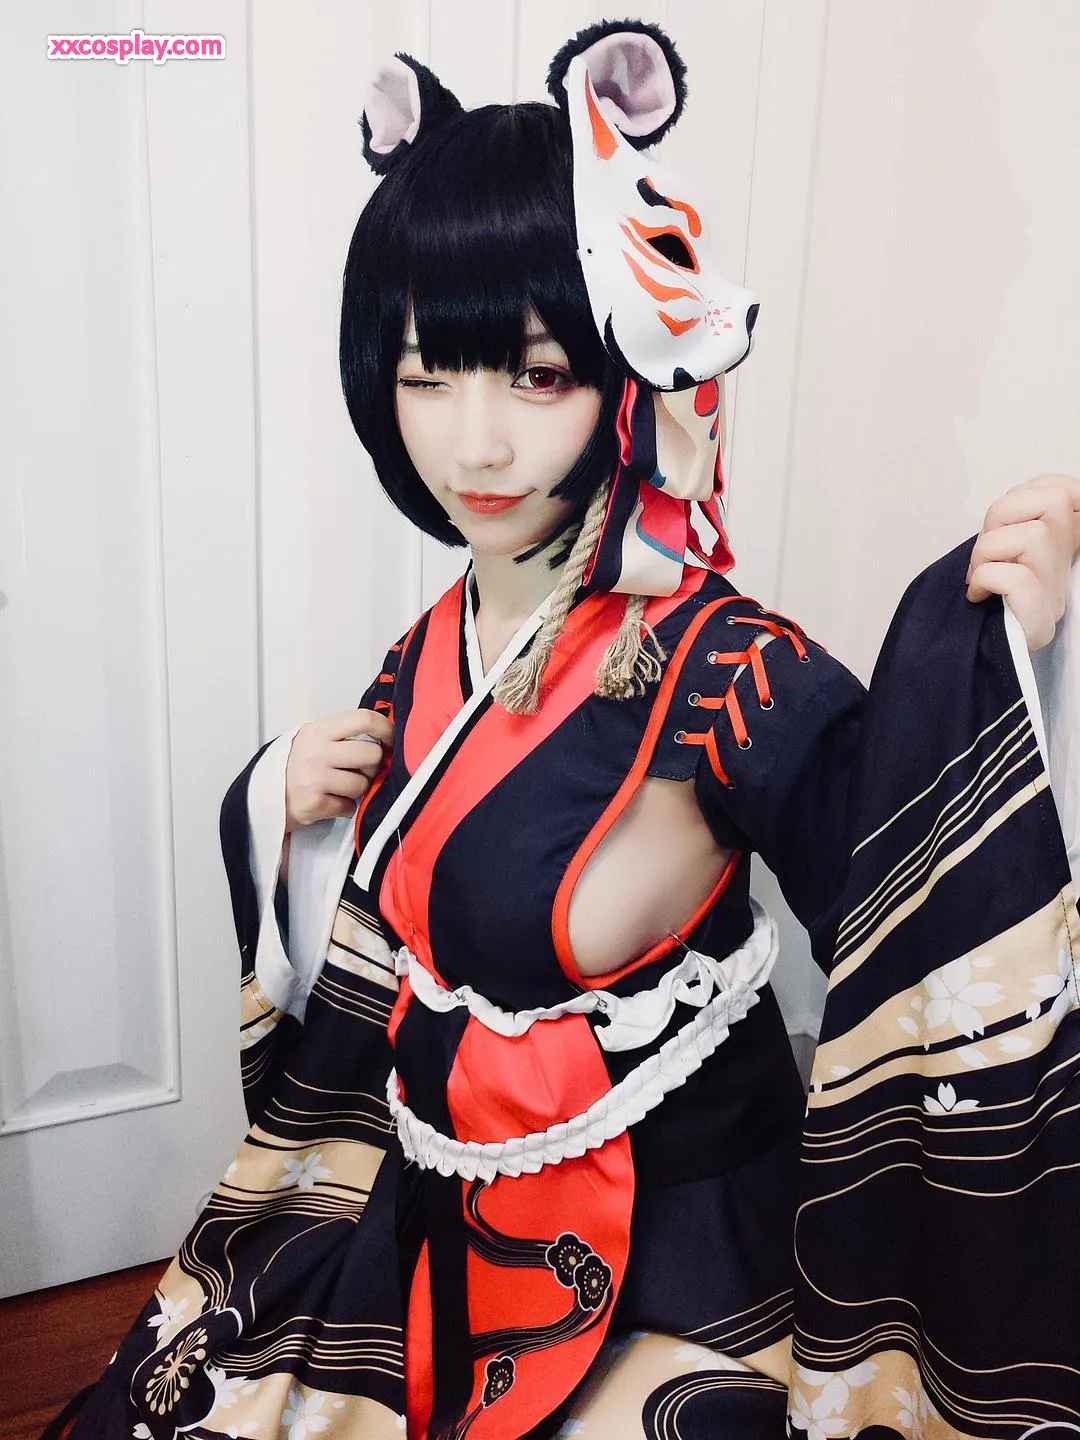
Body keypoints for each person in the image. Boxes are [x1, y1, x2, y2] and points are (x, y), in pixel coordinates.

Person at [48, 19, 1080, 1440]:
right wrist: (283, 801)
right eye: (427, 374)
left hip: (676, 1249)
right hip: (440, 1205)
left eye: (537, 375)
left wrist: (1007, 663)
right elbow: (395, 901)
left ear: (628, 371)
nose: (474, 443)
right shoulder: (428, 654)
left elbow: (922, 910)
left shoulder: (726, 668)